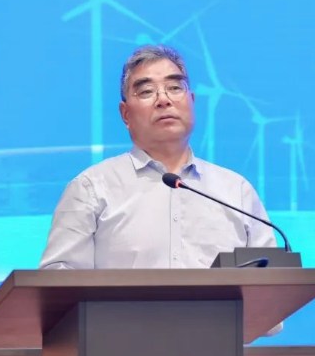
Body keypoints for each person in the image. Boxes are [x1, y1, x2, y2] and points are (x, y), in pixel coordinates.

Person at [39, 44, 278, 270]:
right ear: (125, 114)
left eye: (175, 88)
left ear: (192, 101)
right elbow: (60, 277)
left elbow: (271, 282)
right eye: (146, 91)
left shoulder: (236, 192)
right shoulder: (91, 189)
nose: (164, 100)